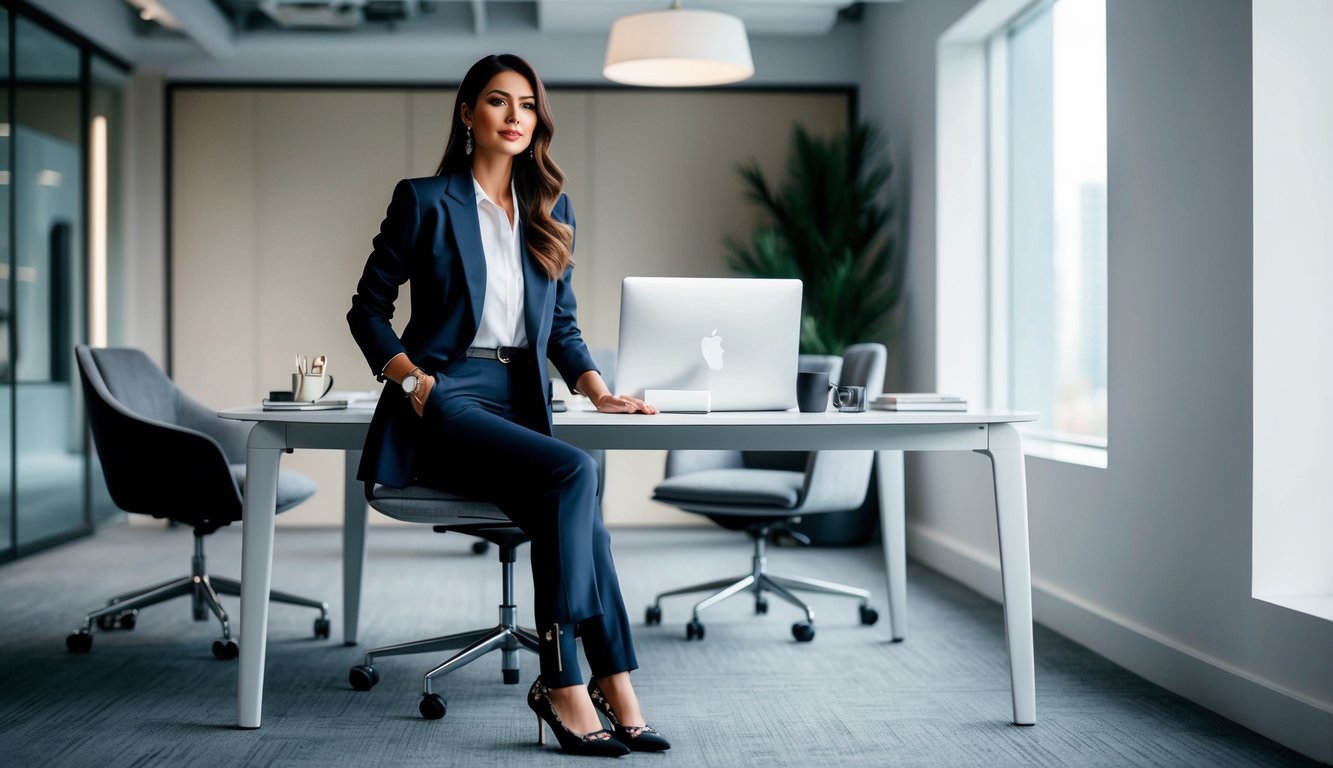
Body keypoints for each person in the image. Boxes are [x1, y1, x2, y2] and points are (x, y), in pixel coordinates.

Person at [347, 54, 668, 757]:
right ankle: (563, 682)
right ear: (468, 115)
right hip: (446, 396)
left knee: (590, 532)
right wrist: (411, 382)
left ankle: (614, 686)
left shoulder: (552, 209)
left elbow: (560, 326)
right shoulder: (425, 199)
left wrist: (597, 390)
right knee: (576, 475)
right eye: (497, 101)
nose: (515, 115)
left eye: (527, 103)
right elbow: (367, 311)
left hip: (520, 401)